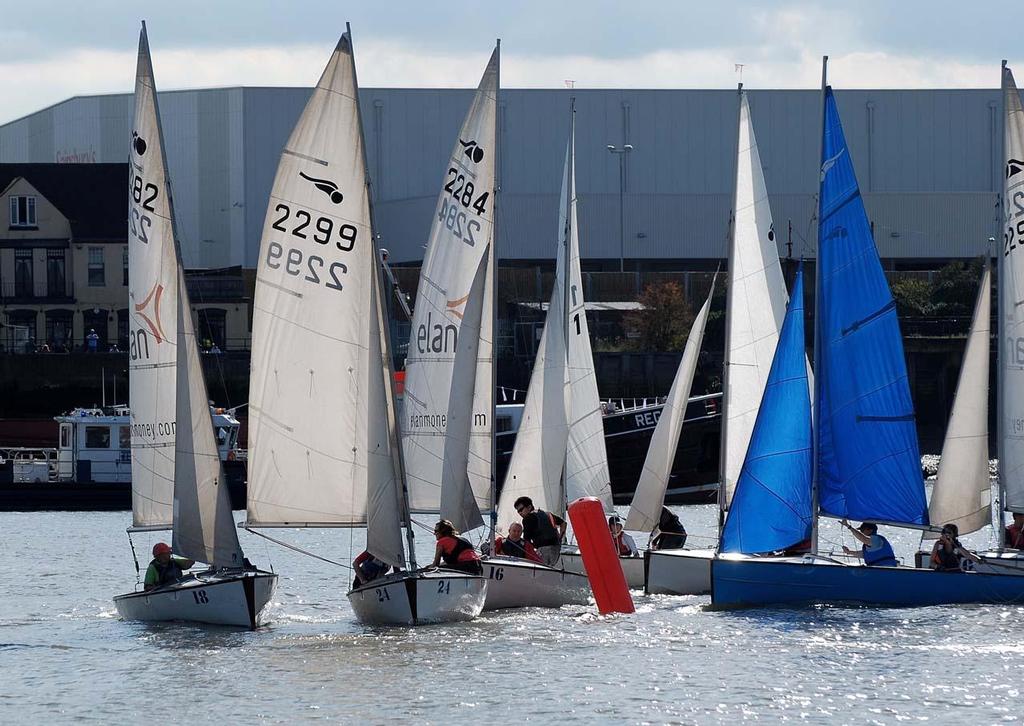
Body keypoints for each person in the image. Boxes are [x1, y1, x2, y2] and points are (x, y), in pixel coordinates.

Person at [514, 496, 566, 566]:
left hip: (543, 550)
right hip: (555, 549)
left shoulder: (527, 518)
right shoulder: (547, 514)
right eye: (518, 511)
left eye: (521, 509)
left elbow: (526, 540)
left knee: (542, 573)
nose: (520, 513)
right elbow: (563, 523)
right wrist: (560, 538)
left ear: (529, 507)